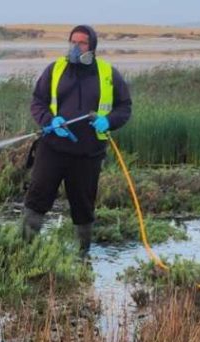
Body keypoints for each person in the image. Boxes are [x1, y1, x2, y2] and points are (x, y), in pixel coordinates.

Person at [22, 24, 132, 258]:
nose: (75, 46)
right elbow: (38, 101)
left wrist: (108, 121)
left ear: (91, 46)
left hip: (88, 155)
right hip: (52, 149)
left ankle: (83, 256)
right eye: (72, 41)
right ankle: (24, 252)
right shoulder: (55, 69)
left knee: (83, 207)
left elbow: (125, 107)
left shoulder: (107, 73)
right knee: (36, 199)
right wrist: (49, 121)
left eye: (81, 42)